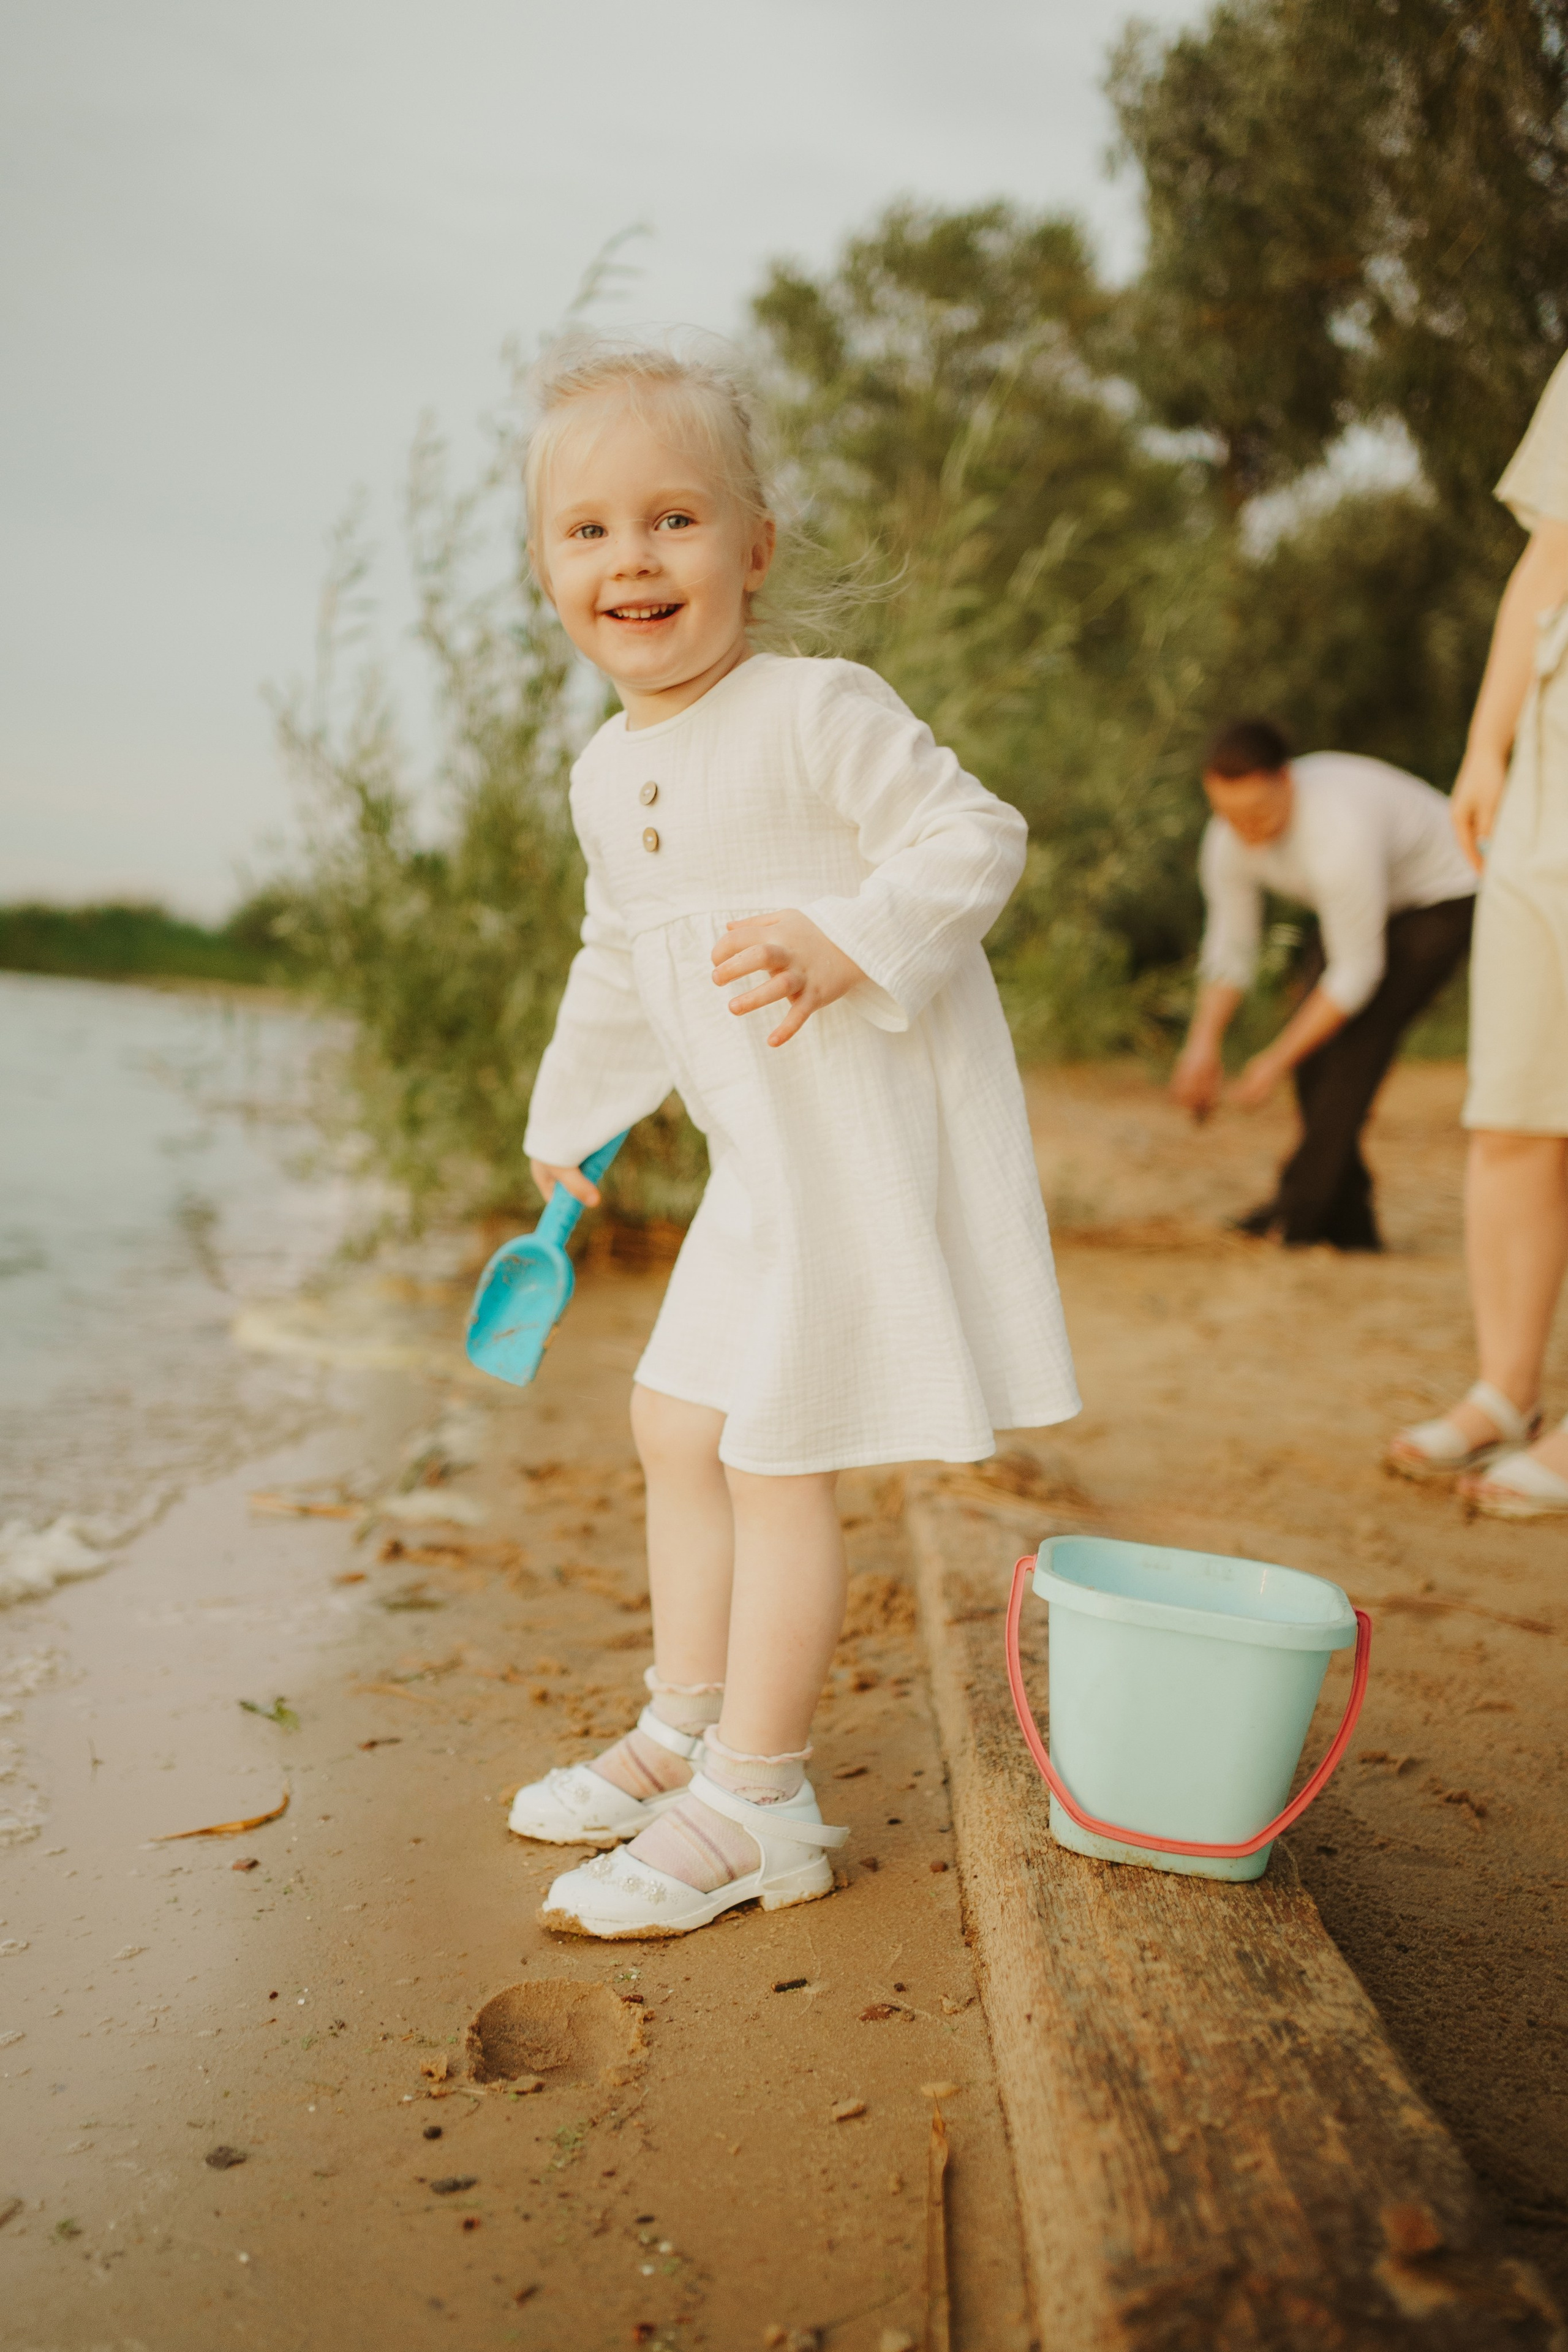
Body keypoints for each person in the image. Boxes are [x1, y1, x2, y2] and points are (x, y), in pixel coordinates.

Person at [503, 342, 1079, 1939]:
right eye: (592, 531)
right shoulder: (605, 773)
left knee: (774, 1456)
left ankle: (763, 1800)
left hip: (856, 1159)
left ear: (753, 548)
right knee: (672, 1423)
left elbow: (976, 836)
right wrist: (573, 1127)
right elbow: (617, 958)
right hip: (764, 1176)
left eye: (675, 519)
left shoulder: (817, 710)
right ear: (549, 571)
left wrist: (851, 938)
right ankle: (687, 1724)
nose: (634, 558)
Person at [1387, 355, 1568, 1516]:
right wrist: (1487, 742)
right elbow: (1551, 549)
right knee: (1513, 1111)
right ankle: (1508, 1388)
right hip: (1551, 797)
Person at [1170, 722, 1477, 1250]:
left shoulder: (1338, 833)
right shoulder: (1228, 838)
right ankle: (1344, 1219)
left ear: (1287, 782)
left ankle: (1302, 1214)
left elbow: (1357, 976)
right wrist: (1203, 1045)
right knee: (1314, 1055)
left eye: (1258, 815)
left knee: (1354, 1047)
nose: (1246, 832)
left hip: (1444, 895)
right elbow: (1232, 948)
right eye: (1229, 816)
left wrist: (1271, 1063)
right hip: (1375, 901)